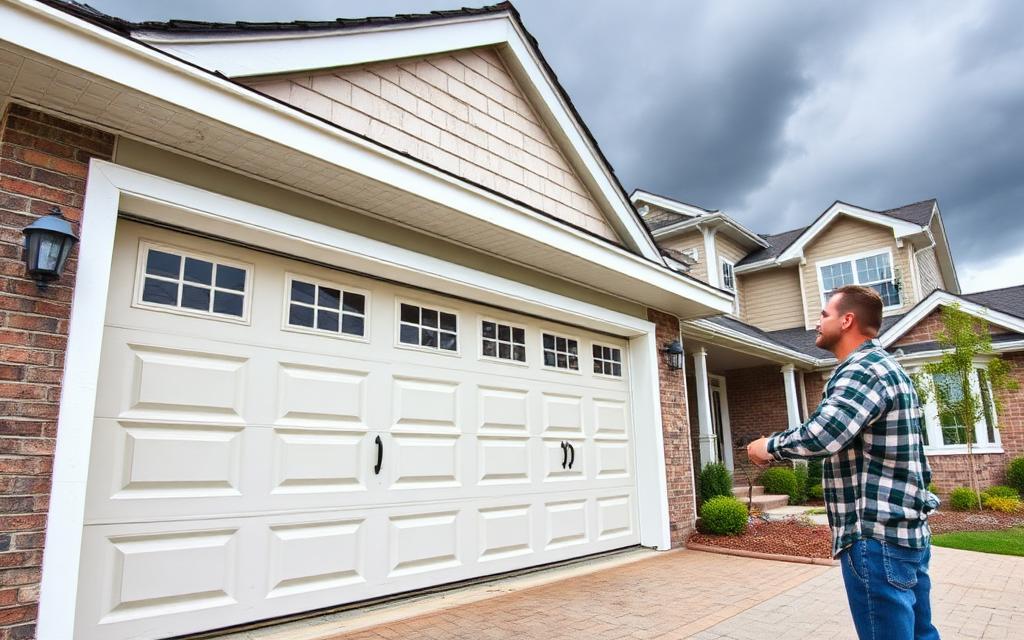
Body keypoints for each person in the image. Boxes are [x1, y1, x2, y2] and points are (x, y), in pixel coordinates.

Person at [746, 284, 940, 640]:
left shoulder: (862, 370)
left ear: (847, 320)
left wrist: (768, 446)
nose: (817, 323)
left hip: (876, 536)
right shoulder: (888, 368)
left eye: (824, 315)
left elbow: (824, 433)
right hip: (903, 534)